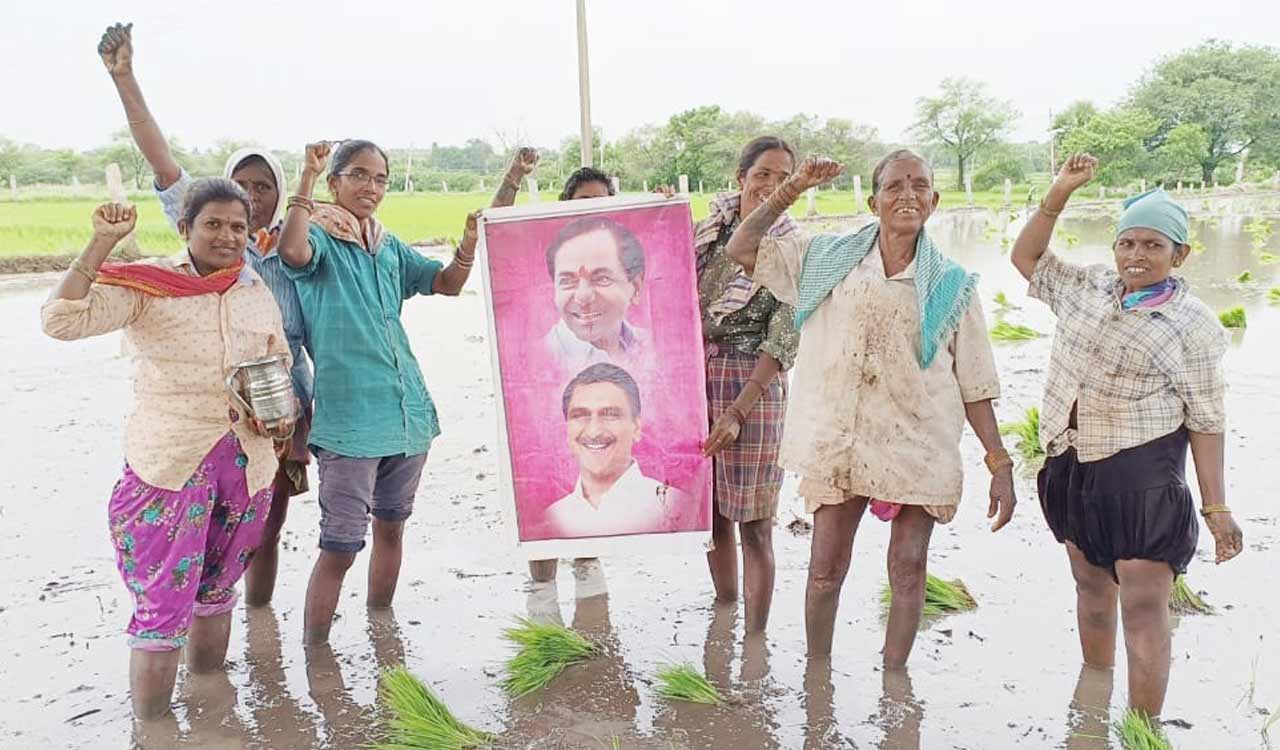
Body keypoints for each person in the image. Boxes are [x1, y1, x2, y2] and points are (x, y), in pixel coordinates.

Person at [726, 150, 1017, 665]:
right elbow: (743, 245)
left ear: (934, 199)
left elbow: (975, 383)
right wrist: (792, 187)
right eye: (894, 187)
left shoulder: (952, 286)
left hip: (917, 442)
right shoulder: (826, 261)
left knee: (908, 568)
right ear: (873, 200)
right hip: (840, 438)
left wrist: (999, 463)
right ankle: (818, 677)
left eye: (919, 185)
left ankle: (893, 682)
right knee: (824, 569)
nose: (907, 195)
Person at [41, 185, 293, 719]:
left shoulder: (254, 289)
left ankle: (210, 714)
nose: (226, 237)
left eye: (237, 227)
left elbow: (279, 360)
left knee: (218, 590)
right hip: (171, 465)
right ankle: (152, 731)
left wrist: (278, 413)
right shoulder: (150, 285)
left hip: (246, 466)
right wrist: (101, 243)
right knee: (161, 606)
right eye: (213, 225)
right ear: (185, 229)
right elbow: (60, 321)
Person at [1010, 153, 1244, 719]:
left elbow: (1206, 421)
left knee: (1143, 609)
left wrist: (1215, 507)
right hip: (1072, 465)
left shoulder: (1193, 326)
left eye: (1153, 246)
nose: (1136, 256)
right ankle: (1091, 706)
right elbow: (1027, 257)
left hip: (1140, 476)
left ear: (1179, 254)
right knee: (1091, 593)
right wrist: (1059, 192)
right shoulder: (1088, 287)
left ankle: (1143, 726)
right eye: (1127, 243)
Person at [97, 22, 313, 607]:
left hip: (279, 411)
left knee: (266, 523)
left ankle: (257, 621)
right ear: (195, 221)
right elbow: (159, 155)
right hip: (203, 421)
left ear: (277, 194)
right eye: (240, 187)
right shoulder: (206, 245)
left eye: (263, 186)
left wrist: (297, 418)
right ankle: (210, 625)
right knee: (190, 547)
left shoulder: (295, 250)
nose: (251, 197)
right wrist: (125, 79)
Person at [276, 139, 478, 644]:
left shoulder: (386, 245)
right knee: (340, 547)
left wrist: (469, 243)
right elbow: (291, 252)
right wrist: (303, 178)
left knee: (392, 527)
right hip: (349, 424)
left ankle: (380, 629)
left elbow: (446, 284)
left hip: (407, 414)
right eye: (359, 175)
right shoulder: (320, 238)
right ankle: (316, 654)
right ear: (335, 182)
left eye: (380, 178)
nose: (371, 187)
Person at [489, 155, 617, 584]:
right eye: (583, 201)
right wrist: (513, 177)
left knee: (592, 489)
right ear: (564, 205)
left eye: (602, 202)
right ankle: (541, 598)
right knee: (542, 488)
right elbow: (497, 224)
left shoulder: (620, 252)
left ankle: (589, 601)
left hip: (600, 391)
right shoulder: (542, 240)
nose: (592, 210)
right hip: (543, 388)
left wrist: (664, 208)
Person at [695, 136, 801, 634]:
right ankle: (726, 612)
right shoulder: (706, 234)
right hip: (697, 378)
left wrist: (738, 411)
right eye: (763, 174)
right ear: (740, 178)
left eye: (784, 178)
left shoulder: (795, 249)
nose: (772, 186)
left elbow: (782, 340)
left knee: (754, 524)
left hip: (753, 388)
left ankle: (754, 639)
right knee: (713, 515)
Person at [543, 363, 683, 538]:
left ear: (637, 427)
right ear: (567, 430)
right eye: (580, 415)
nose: (594, 431)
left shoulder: (676, 507)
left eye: (610, 414)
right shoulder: (553, 518)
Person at [541, 216, 650, 373]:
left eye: (602, 279)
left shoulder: (654, 348)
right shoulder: (538, 359)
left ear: (636, 287)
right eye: (567, 281)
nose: (583, 296)